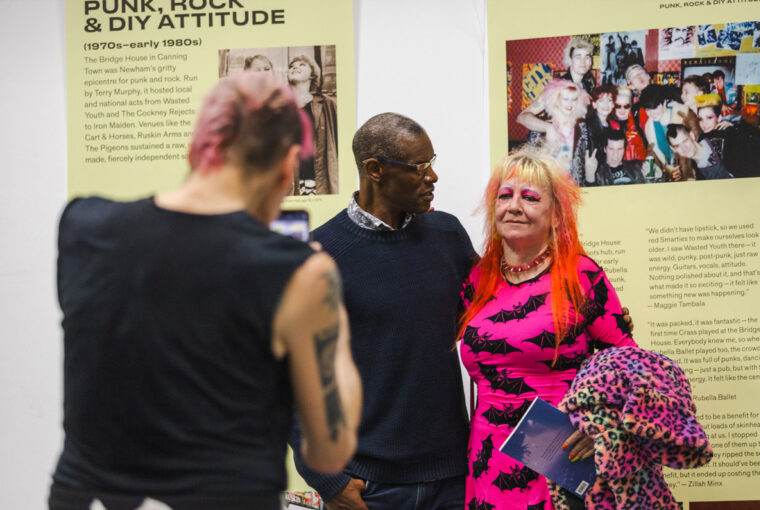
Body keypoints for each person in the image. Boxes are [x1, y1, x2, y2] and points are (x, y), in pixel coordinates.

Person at [49, 72, 362, 510]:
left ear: (196, 148)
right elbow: (329, 449)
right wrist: (325, 297)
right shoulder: (299, 273)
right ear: (290, 164)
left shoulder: (83, 224)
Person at [291, 113, 477, 510]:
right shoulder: (318, 257)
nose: (433, 177)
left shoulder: (448, 236)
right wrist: (328, 480)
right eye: (419, 167)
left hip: (453, 480)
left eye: (432, 162)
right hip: (369, 486)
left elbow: (505, 311)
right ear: (374, 170)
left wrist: (590, 310)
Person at [459, 148, 637, 509]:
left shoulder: (581, 275)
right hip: (488, 457)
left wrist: (601, 423)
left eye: (530, 198)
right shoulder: (477, 280)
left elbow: (630, 366)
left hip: (561, 458)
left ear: (556, 215)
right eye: (505, 196)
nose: (513, 206)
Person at [288, 54, 339, 195]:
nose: (295, 67)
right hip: (291, 183)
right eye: (292, 66)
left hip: (319, 181)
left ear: (312, 75)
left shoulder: (328, 104)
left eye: (301, 65)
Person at [666, 123, 733, 180]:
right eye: (677, 146)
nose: (684, 148)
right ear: (673, 149)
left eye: (685, 141)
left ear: (692, 136)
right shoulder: (697, 172)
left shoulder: (717, 139)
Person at [613, 86, 647, 161]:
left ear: (631, 105)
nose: (622, 110)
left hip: (637, 168)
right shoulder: (607, 124)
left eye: (626, 106)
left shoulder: (639, 121)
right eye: (618, 106)